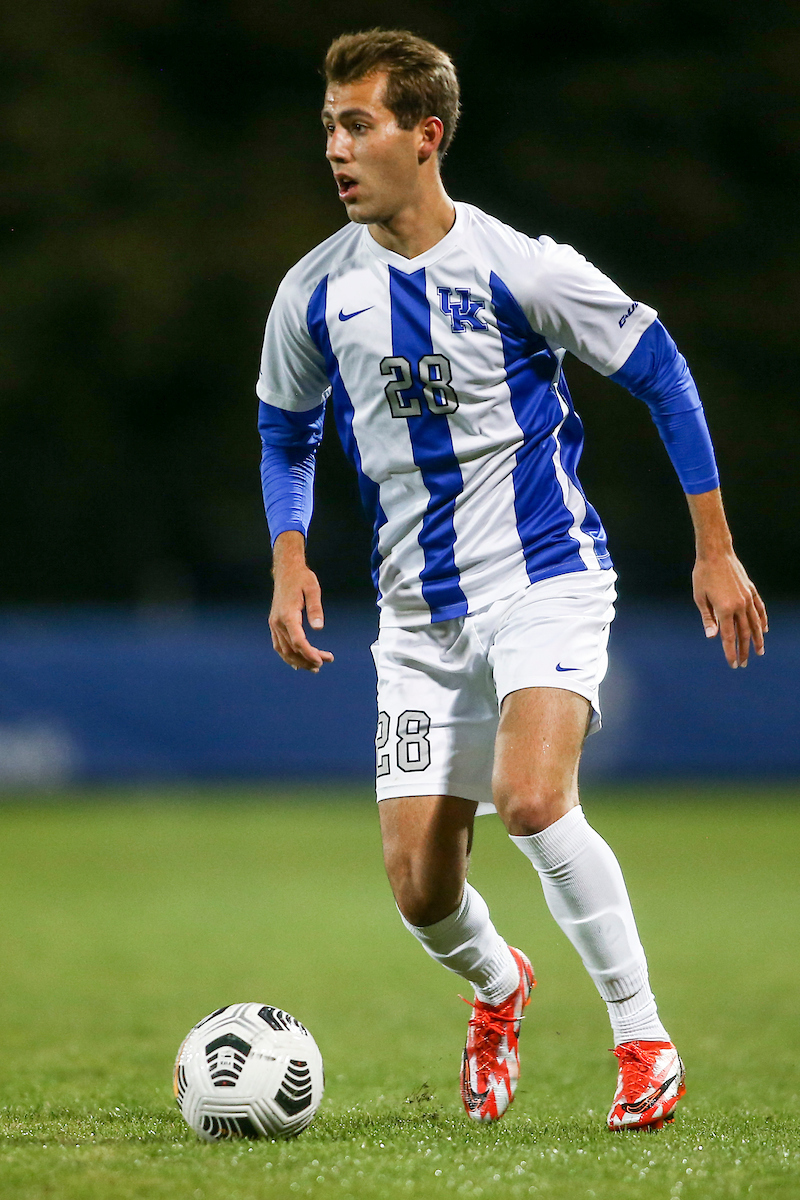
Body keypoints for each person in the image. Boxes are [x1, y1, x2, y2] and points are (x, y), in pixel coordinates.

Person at [257, 29, 767, 1130]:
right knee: (419, 889)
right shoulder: (312, 296)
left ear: (424, 135)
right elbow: (282, 431)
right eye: (329, 128)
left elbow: (659, 370)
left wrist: (712, 545)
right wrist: (289, 555)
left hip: (545, 580)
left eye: (358, 126)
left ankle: (642, 1040)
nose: (336, 151)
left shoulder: (516, 266)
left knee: (535, 804)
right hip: (414, 620)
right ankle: (499, 987)